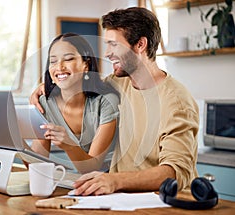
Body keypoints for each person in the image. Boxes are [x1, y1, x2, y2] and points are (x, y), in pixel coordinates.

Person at [30, 7, 199, 195]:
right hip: (120, 198)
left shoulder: (176, 102)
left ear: (140, 45)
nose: (108, 53)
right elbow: (80, 84)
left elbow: (175, 172)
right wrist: (42, 89)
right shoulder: (117, 84)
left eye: (114, 45)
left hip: (163, 202)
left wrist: (114, 180)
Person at [31, 33, 120, 174]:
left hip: (113, 180)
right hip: (81, 182)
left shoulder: (106, 102)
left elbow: (92, 167)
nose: (59, 67)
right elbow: (37, 164)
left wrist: (69, 146)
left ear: (86, 64)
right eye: (53, 61)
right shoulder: (44, 104)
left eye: (68, 59)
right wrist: (17, 144)